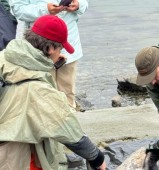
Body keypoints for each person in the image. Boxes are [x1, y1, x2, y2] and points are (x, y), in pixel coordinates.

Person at [0, 15, 106, 170]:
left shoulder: (6, 56)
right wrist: (97, 157)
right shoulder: (38, 90)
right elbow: (69, 131)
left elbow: (21, 75)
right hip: (14, 157)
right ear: (49, 49)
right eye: (60, 48)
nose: (60, 52)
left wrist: (47, 65)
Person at [9, 0, 88, 110]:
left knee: (67, 91)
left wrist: (78, 5)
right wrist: (45, 9)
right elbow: (18, 10)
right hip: (40, 47)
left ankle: (69, 118)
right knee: (42, 93)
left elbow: (84, 3)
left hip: (69, 43)